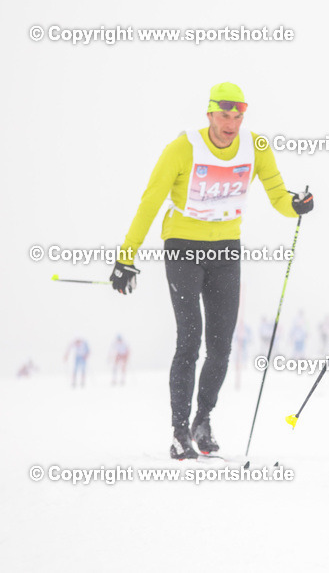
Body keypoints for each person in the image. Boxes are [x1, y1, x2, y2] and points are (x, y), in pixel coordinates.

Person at [110, 82, 315, 460]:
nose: (231, 123)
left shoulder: (256, 148)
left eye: (238, 116)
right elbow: (150, 201)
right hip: (183, 247)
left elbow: (277, 195)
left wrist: (296, 205)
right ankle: (178, 431)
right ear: (209, 114)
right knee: (190, 339)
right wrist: (126, 257)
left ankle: (202, 420)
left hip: (226, 250)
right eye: (224, 115)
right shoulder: (183, 148)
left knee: (221, 346)